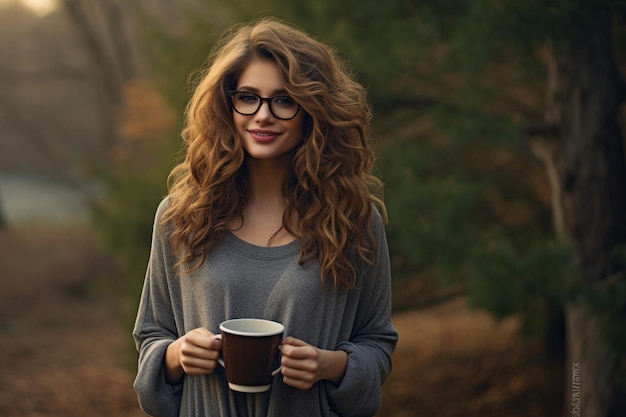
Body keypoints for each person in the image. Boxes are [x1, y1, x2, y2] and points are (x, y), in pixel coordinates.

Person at [132, 17, 398, 417]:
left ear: (312, 110)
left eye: (285, 100)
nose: (263, 115)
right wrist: (175, 356)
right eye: (248, 97)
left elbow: (377, 343)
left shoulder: (353, 220)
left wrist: (330, 365)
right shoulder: (181, 218)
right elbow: (151, 335)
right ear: (228, 104)